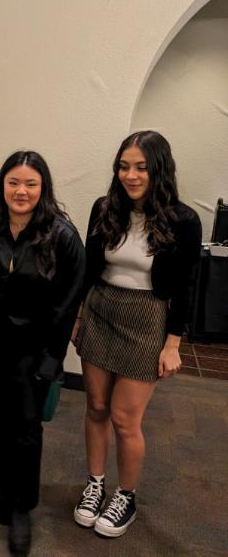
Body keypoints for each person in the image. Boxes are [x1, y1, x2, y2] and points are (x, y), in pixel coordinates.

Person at [72, 131, 201, 538]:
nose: (131, 175)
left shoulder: (183, 220)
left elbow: (185, 286)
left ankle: (126, 495)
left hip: (147, 319)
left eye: (141, 167)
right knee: (95, 406)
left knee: (126, 419)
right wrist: (77, 316)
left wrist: (174, 343)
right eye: (124, 166)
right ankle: (95, 484)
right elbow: (89, 269)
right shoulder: (105, 208)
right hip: (101, 308)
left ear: (158, 169)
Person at [0, 151, 85, 556]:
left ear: (42, 188)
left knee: (26, 428)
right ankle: (0, 483)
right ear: (2, 185)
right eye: (14, 182)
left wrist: (52, 360)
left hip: (34, 349)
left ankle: (22, 508)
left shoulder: (61, 235)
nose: (21, 191)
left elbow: (67, 304)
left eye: (31, 184)